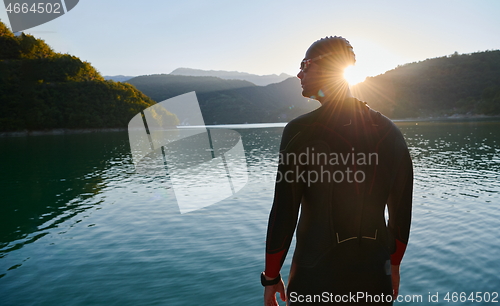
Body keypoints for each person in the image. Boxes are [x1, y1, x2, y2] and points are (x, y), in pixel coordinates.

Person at [261, 37, 413, 305]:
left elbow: (284, 211)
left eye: (305, 65)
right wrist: (395, 266)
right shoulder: (391, 132)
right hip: (376, 279)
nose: (299, 73)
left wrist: (271, 277)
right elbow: (401, 214)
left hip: (315, 281)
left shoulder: (300, 133)